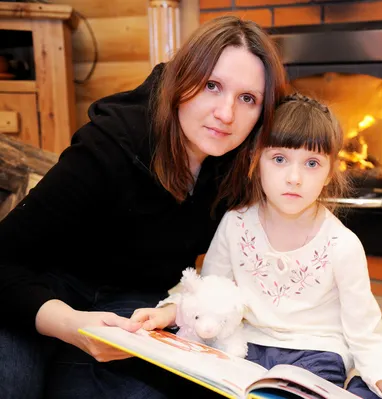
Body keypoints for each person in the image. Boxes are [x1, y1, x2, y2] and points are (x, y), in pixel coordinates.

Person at [0, 16, 287, 399]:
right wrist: (68, 324)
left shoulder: (240, 164)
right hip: (42, 287)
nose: (226, 114)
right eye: (211, 86)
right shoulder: (107, 147)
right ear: (182, 81)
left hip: (133, 301)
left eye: (247, 98)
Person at [133, 93, 382, 399]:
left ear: (330, 171)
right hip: (246, 347)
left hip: (317, 353)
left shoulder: (342, 245)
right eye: (279, 159)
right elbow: (209, 294)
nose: (294, 178)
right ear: (256, 160)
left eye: (311, 163)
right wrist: (169, 314)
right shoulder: (236, 223)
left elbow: (364, 334)